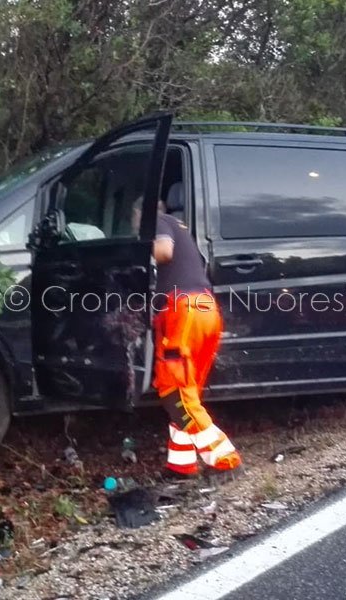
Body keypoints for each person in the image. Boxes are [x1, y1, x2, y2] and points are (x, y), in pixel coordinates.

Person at [131, 195, 244, 481]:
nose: (134, 225)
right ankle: (181, 465)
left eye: (134, 219)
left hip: (184, 312)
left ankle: (225, 460)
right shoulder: (181, 227)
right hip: (205, 309)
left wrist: (135, 253)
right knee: (186, 393)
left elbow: (164, 252)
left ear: (140, 214)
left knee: (174, 391)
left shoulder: (159, 222)